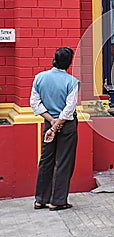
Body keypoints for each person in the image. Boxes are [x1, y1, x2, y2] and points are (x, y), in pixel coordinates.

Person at [30, 47, 80, 211]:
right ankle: (57, 201)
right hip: (66, 125)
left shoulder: (39, 78)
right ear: (69, 62)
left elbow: (35, 103)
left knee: (46, 160)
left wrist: (51, 122)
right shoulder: (72, 81)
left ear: (54, 59)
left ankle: (40, 199)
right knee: (63, 162)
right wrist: (58, 123)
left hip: (48, 124)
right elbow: (69, 107)